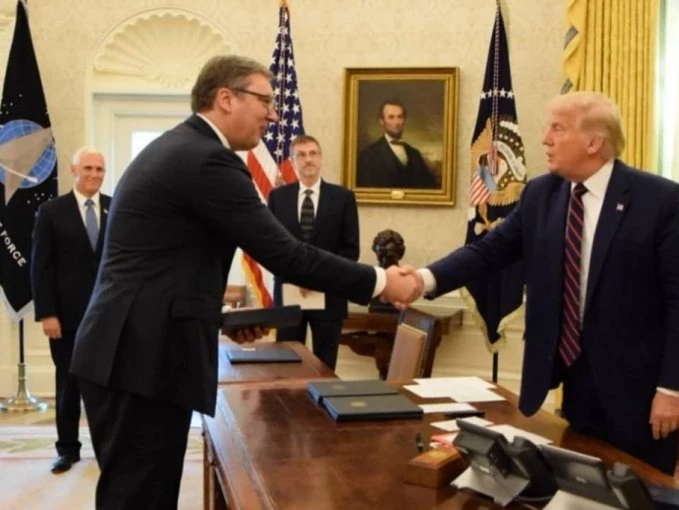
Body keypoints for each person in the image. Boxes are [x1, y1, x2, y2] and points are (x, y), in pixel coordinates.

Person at [69, 55, 421, 509]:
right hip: (140, 358)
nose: (273, 116)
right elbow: (286, 255)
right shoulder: (206, 159)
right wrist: (381, 281)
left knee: (138, 496)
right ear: (226, 98)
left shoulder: (182, 148)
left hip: (134, 351)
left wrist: (217, 317)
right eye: (264, 101)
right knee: (138, 498)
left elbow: (162, 270)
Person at [407, 91, 679, 476]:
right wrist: (423, 280)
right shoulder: (540, 194)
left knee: (642, 494)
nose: (544, 139)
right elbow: (488, 252)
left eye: (558, 129)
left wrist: (673, 389)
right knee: (581, 488)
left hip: (640, 392)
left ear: (594, 142)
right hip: (574, 382)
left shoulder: (659, 200)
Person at [30, 146, 110, 474]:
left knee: (106, 387)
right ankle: (67, 449)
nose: (94, 174)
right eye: (88, 168)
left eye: (99, 169)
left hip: (108, 317)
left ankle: (107, 450)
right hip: (65, 318)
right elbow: (40, 266)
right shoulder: (51, 211)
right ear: (74, 170)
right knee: (68, 385)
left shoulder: (115, 208)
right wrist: (47, 313)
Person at [268, 135, 359, 370]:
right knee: (287, 366)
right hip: (289, 295)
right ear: (292, 161)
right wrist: (299, 277)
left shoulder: (343, 198)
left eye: (313, 153)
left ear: (320, 158)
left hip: (329, 296)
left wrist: (315, 278)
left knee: (325, 369)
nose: (308, 160)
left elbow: (350, 251)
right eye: (301, 155)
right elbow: (271, 248)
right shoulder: (278, 198)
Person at [356, 99, 437, 189]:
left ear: (404, 120)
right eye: (391, 117)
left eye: (400, 117)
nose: (396, 122)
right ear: (381, 121)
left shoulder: (415, 154)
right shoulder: (369, 155)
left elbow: (429, 188)